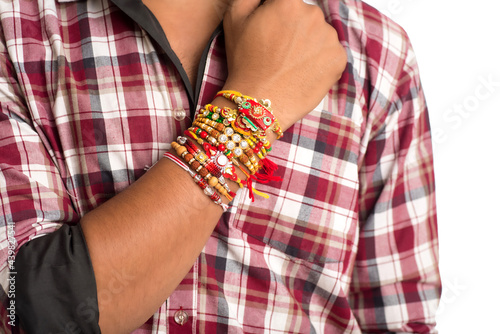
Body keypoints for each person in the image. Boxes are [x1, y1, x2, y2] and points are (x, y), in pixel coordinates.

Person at [0, 0, 441, 332]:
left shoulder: (376, 54)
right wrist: (254, 108)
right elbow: (33, 305)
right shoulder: (15, 30)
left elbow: (400, 319)